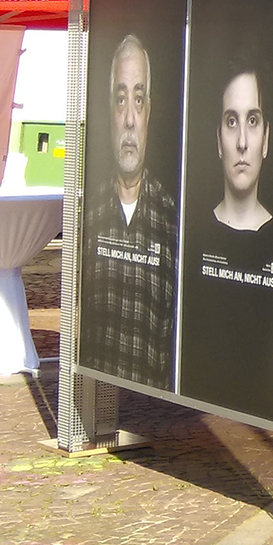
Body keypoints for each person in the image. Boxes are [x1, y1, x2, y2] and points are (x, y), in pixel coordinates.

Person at [81, 34, 178, 388]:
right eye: (121, 100)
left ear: (149, 112)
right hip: (95, 393)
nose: (129, 120)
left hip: (154, 419)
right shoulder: (87, 218)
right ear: (109, 111)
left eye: (138, 99)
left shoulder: (172, 223)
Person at [213, 55, 272, 232]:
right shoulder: (194, 231)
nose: (242, 142)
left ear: (265, 139)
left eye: (252, 120)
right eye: (231, 121)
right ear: (219, 141)